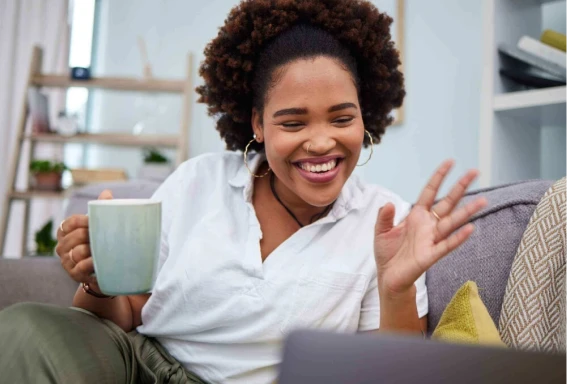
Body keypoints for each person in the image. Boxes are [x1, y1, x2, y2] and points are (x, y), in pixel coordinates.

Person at [0, 0, 487, 383]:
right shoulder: (198, 182)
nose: (322, 142)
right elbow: (123, 315)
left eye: (342, 118)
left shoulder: (387, 223)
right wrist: (96, 280)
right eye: (292, 122)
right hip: (139, 365)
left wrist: (395, 286)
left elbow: (394, 374)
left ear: (366, 116)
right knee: (25, 328)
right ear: (256, 123)